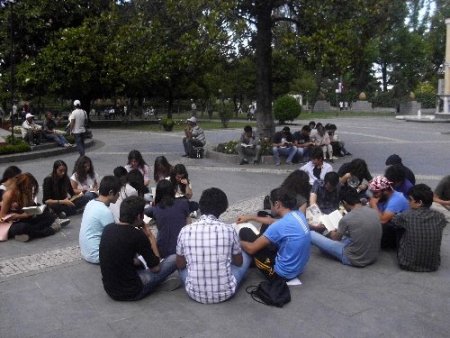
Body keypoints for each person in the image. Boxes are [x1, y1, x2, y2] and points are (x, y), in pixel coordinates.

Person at [176, 187, 251, 304]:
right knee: (247, 254)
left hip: (194, 293)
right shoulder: (229, 230)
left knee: (181, 264)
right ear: (223, 208)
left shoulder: (185, 231)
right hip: (225, 293)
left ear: (200, 206)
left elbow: (180, 265)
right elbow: (238, 263)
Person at [99, 196, 177, 301]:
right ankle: (154, 286)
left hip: (110, 289)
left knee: (137, 258)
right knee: (175, 258)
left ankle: (154, 285)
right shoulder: (137, 235)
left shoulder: (108, 229)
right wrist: (150, 237)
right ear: (139, 216)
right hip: (132, 291)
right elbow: (156, 267)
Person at [239, 187, 311, 281]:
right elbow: (271, 221)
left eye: (271, 203)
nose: (271, 207)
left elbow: (251, 248)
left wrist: (235, 240)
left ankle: (253, 259)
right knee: (266, 224)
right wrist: (250, 217)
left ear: (277, 204)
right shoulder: (298, 214)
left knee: (245, 232)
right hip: (298, 269)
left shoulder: (280, 225)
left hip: (280, 274)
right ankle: (260, 245)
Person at [310, 187, 381, 267]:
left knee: (312, 234)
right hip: (372, 256)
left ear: (344, 202)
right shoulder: (374, 212)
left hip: (353, 258)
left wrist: (330, 230)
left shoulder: (347, 218)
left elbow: (335, 238)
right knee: (345, 235)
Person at [391, 184, 446, 272]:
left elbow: (393, 221)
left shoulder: (406, 216)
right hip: (433, 266)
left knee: (398, 228)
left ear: (419, 202)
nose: (408, 202)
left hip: (406, 264)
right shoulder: (440, 217)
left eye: (410, 199)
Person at [0, 173, 65, 242]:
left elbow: (26, 207)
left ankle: (28, 234)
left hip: (19, 219)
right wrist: (20, 215)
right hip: (7, 224)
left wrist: (32, 210)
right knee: (23, 227)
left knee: (48, 217)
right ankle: (48, 231)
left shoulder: (24, 194)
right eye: (28, 188)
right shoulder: (9, 194)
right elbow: (2, 217)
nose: (30, 190)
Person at [79, 176, 121, 264]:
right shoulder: (105, 211)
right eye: (118, 193)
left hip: (85, 252)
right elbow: (115, 238)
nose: (119, 196)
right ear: (111, 193)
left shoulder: (90, 203)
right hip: (97, 256)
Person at [145, 179, 189, 258]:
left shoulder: (155, 209)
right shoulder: (183, 203)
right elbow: (189, 224)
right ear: (173, 191)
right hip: (183, 249)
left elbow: (145, 211)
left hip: (163, 250)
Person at [368, 176, 409, 249]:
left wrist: (373, 204)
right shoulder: (383, 196)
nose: (373, 195)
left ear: (386, 191)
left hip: (399, 231)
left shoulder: (396, 200)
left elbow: (382, 220)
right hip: (389, 222)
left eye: (375, 192)